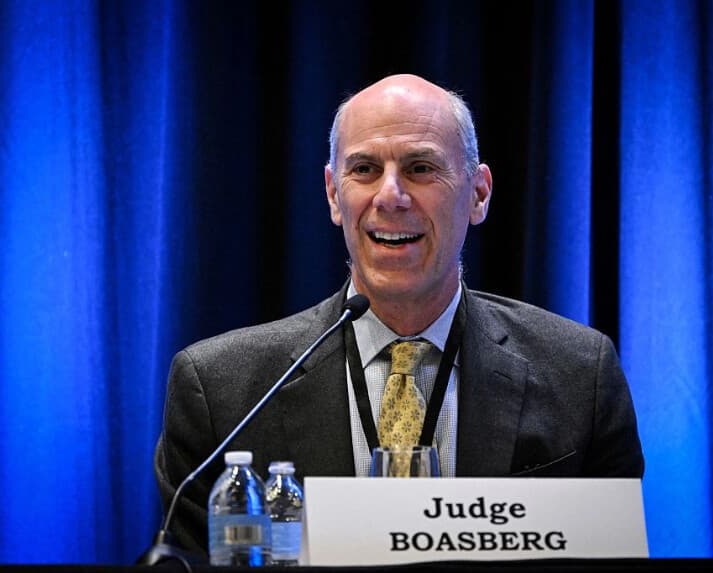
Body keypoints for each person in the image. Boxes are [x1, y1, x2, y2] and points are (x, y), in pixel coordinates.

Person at [153, 73, 644, 556]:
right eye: (364, 169)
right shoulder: (222, 391)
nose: (390, 196)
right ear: (332, 194)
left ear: (478, 193)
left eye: (421, 168)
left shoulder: (581, 376)